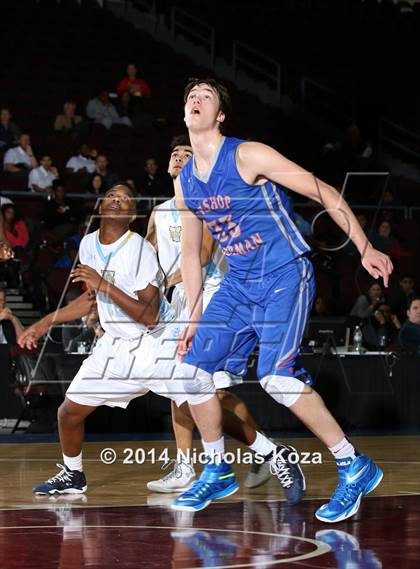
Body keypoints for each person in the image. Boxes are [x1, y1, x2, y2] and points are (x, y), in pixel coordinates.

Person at [172, 78, 392, 522]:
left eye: (206, 97)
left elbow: (322, 190)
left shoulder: (247, 154)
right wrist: (193, 315)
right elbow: (191, 254)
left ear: (220, 116)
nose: (196, 99)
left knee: (278, 379)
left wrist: (365, 246)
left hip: (283, 275)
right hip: (237, 285)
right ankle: (216, 469)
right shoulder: (185, 182)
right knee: (190, 374)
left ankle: (354, 465)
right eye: (190, 95)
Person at [20, 183, 296, 498]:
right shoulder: (87, 245)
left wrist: (104, 286)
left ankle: (273, 453)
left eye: (124, 198)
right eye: (111, 195)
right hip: (115, 346)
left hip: (155, 341)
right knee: (68, 412)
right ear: (100, 205)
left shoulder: (139, 249)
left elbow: (150, 315)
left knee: (200, 407)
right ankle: (73, 474)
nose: (116, 199)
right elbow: (91, 300)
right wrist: (44, 322)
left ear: (133, 214)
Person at [146, 135, 275, 492]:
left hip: (214, 298)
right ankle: (186, 467)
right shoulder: (159, 212)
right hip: (178, 302)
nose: (178, 157)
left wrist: (170, 280)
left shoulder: (206, 202)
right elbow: (150, 256)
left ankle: (262, 451)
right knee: (177, 385)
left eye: (186, 153)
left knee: (215, 391)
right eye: (174, 152)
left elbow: (202, 256)